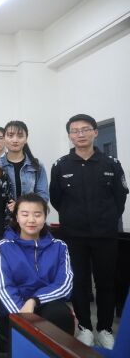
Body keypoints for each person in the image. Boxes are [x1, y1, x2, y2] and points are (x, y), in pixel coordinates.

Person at [50, 114, 128, 348]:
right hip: (74, 236)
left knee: (106, 282)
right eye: (75, 131)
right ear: (69, 136)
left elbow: (120, 198)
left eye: (85, 129)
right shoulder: (60, 165)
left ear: (95, 132)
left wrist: (106, 219)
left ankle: (104, 328)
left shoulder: (111, 164)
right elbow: (56, 199)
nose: (80, 134)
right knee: (80, 282)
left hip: (105, 235)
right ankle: (84, 326)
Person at [0, 193, 74, 349]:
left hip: (46, 304)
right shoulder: (4, 246)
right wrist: (24, 315)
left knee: (61, 315)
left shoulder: (59, 246)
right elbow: (3, 288)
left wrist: (34, 300)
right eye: (25, 214)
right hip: (15, 308)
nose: (31, 220)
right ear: (16, 217)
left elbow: (64, 284)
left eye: (37, 215)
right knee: (24, 339)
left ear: (44, 217)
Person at [0, 120, 49, 202]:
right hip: (3, 210)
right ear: (4, 138)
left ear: (26, 139)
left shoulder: (36, 165)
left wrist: (21, 206)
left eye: (20, 136)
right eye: (10, 136)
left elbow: (43, 196)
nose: (15, 140)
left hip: (30, 210)